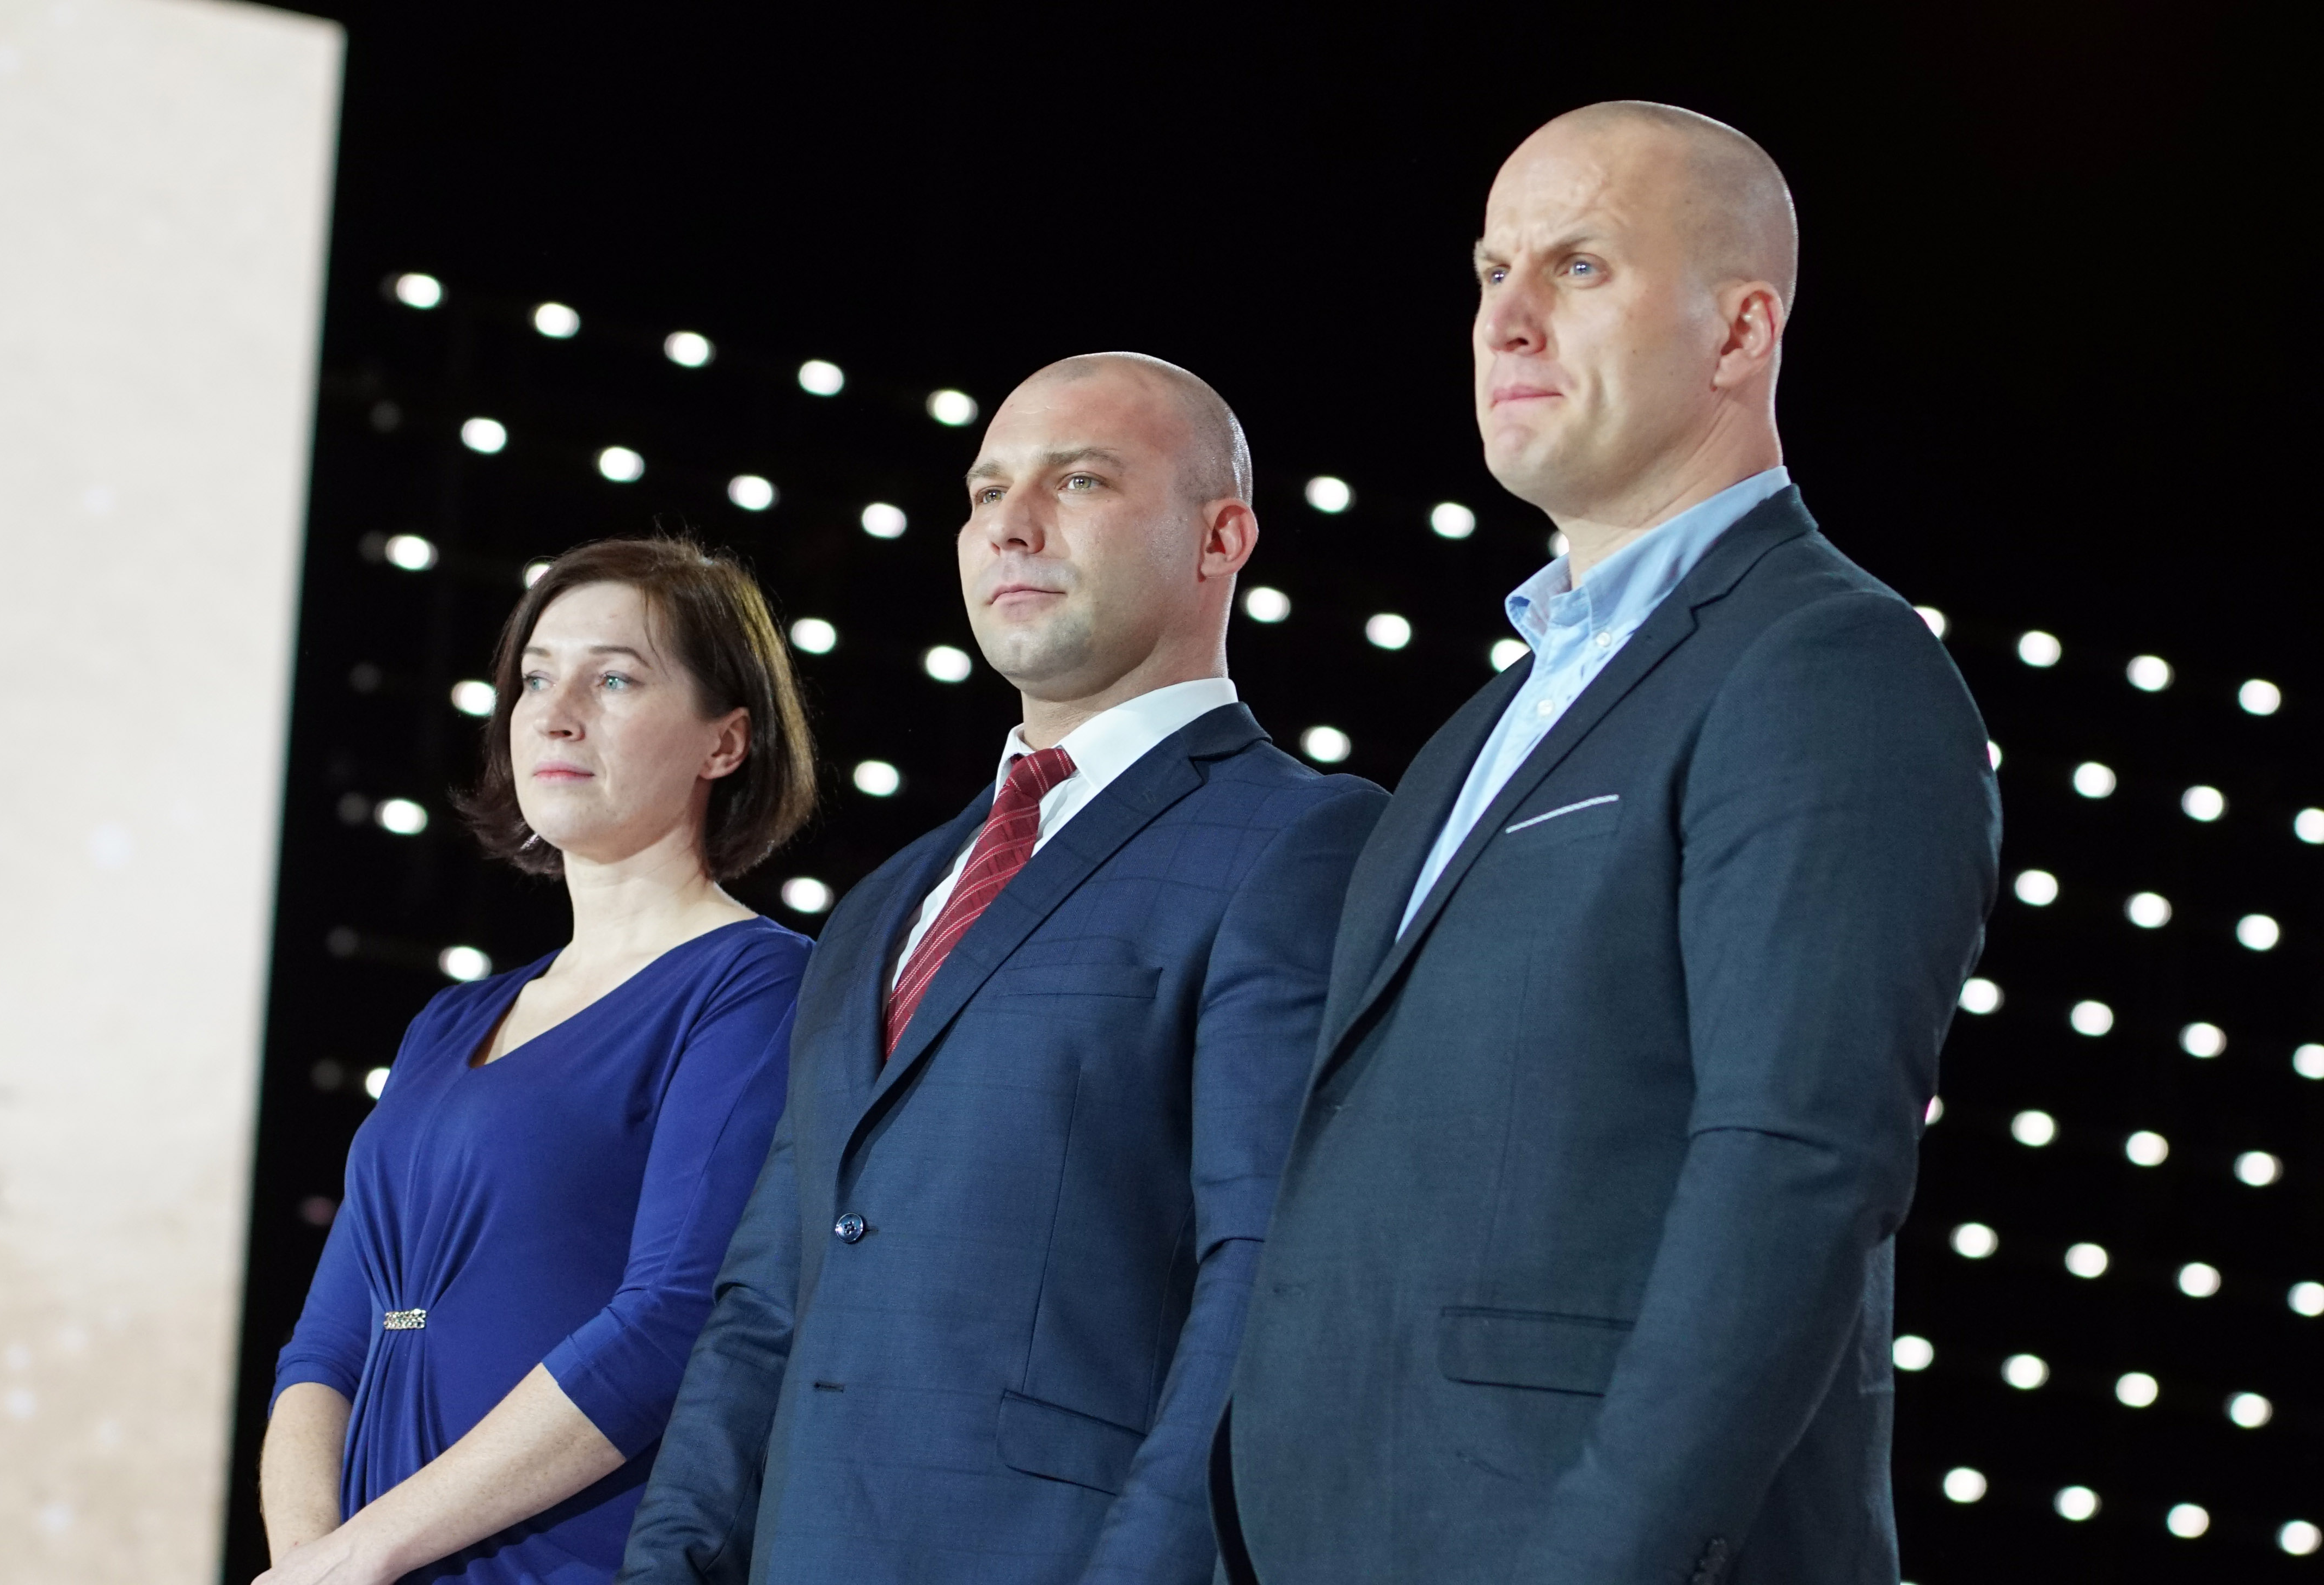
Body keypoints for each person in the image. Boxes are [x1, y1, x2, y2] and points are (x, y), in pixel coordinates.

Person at [1216, 103, 2001, 1583]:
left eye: (1578, 267)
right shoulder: (1476, 732)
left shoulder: (1829, 665)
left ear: (1740, 331)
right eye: (1490, 270)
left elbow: (1795, 1167)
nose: (1505, 319)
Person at [618, 354, 1389, 1585]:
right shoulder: (884, 902)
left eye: (1078, 481)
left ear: (1221, 537)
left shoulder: (1302, 840)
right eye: (986, 492)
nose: (1010, 526)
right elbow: (764, 1302)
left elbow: (1263, 1280)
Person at [257, 538, 819, 1585]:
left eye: (614, 680)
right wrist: (308, 1561)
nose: (556, 714)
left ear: (726, 742)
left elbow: (670, 1322)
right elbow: (329, 1346)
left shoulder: (756, 987)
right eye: (535, 678)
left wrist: (366, 1552)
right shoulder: (448, 1021)